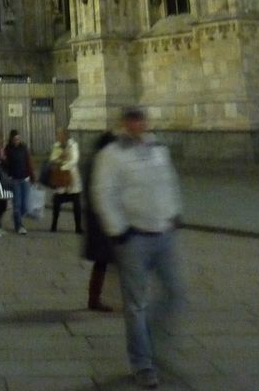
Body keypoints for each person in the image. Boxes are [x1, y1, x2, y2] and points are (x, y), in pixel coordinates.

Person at [92, 107, 184, 390]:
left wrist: (174, 212)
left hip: (163, 233)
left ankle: (150, 343)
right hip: (134, 239)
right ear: (124, 124)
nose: (138, 125)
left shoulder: (158, 147)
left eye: (141, 120)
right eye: (132, 120)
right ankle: (142, 364)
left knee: (175, 294)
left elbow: (169, 182)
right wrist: (118, 231)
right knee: (135, 305)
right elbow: (102, 192)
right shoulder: (112, 153)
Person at [82, 131, 117, 312]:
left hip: (99, 221)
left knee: (104, 262)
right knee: (105, 261)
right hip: (101, 222)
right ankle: (95, 299)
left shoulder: (97, 161)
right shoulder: (100, 163)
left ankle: (95, 298)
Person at [49, 126, 82, 233]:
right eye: (57, 135)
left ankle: (78, 227)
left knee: (76, 204)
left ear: (65, 136)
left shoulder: (73, 145)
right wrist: (60, 160)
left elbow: (74, 160)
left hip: (72, 179)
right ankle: (54, 225)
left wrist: (62, 166)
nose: (57, 137)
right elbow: (53, 159)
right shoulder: (56, 146)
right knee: (57, 202)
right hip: (60, 179)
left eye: (59, 135)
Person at [3, 129, 35, 235]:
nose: (17, 140)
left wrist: (32, 177)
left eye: (18, 138)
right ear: (11, 139)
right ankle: (19, 226)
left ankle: (16, 216)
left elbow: (28, 162)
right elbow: (5, 166)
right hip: (14, 180)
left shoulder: (24, 148)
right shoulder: (8, 149)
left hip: (25, 179)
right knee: (17, 204)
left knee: (25, 205)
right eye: (15, 139)